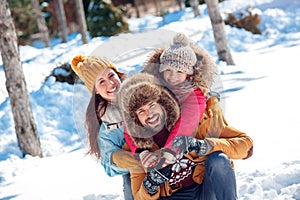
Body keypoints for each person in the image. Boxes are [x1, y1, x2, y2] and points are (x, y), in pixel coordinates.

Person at [117, 73, 253, 199]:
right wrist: (150, 184)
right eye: (141, 111)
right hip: (171, 197)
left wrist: (204, 146)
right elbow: (138, 196)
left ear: (162, 104)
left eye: (152, 105)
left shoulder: (196, 122)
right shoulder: (138, 147)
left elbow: (246, 145)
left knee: (218, 160)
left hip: (203, 192)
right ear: (135, 119)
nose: (149, 114)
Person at [70, 55, 139, 200]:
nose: (110, 84)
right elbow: (108, 165)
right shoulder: (106, 125)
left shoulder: (141, 94)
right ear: (95, 90)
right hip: (137, 176)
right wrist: (118, 158)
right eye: (102, 82)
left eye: (111, 76)